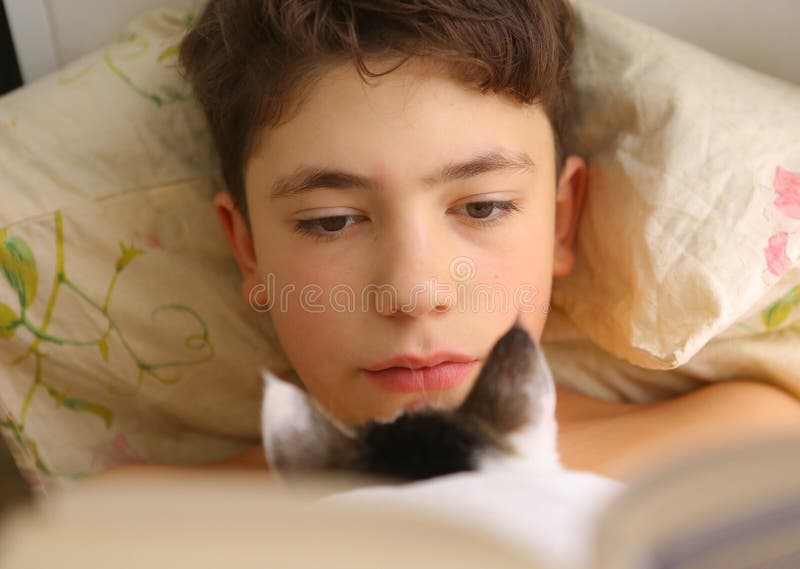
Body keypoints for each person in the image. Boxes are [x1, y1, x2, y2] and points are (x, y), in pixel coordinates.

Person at [94, 0, 800, 485]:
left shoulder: (750, 453)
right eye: (331, 220)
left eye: (484, 206)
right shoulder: (134, 533)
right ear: (247, 250)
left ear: (560, 221)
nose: (414, 292)